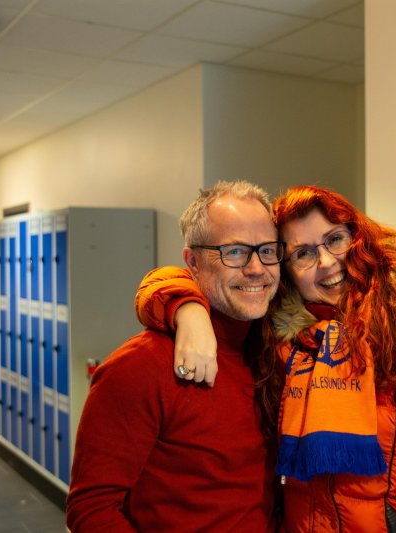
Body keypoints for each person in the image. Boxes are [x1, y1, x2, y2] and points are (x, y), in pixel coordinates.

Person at [136, 185, 396, 532]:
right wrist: (189, 310)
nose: (325, 262)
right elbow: (171, 279)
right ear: (286, 272)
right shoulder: (279, 341)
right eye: (303, 253)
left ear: (358, 238)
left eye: (335, 240)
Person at [66, 181, 283, 532]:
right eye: (235, 252)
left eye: (268, 250)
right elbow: (91, 511)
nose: (257, 268)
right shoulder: (139, 367)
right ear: (192, 262)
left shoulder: (275, 352)